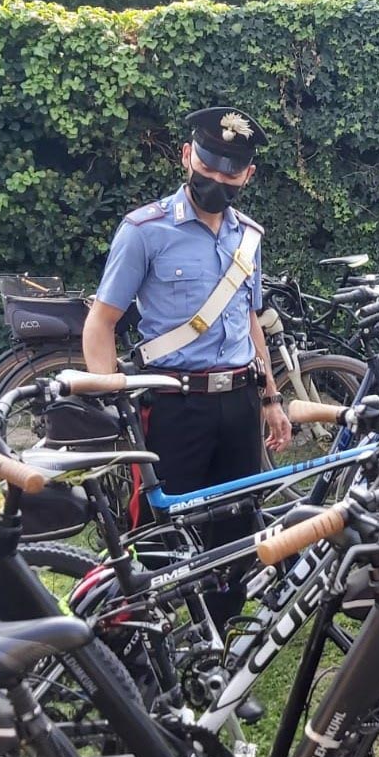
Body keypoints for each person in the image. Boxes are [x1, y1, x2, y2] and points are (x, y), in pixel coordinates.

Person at [82, 106, 292, 640]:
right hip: (173, 406)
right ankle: (141, 649)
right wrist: (113, 401)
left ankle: (216, 648)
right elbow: (100, 323)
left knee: (239, 530)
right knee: (158, 536)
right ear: (186, 155)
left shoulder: (249, 237)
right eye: (208, 163)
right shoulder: (144, 231)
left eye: (230, 171)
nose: (215, 179)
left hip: (239, 404)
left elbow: (249, 323)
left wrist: (270, 398)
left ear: (247, 175)